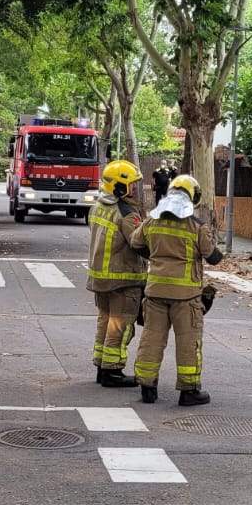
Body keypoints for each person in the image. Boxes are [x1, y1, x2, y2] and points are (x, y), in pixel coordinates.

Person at [130, 173, 221, 406]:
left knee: (151, 338)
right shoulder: (196, 226)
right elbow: (212, 257)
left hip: (155, 292)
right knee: (188, 342)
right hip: (186, 297)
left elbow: (135, 242)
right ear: (193, 197)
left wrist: (155, 257)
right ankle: (188, 390)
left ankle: (147, 387)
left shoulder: (151, 221)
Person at [86, 160, 148, 388]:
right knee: (120, 325)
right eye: (131, 185)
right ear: (120, 187)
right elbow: (141, 244)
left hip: (100, 278)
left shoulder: (97, 206)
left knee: (104, 320)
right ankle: (113, 371)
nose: (134, 189)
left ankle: (102, 366)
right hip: (123, 280)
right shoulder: (126, 213)